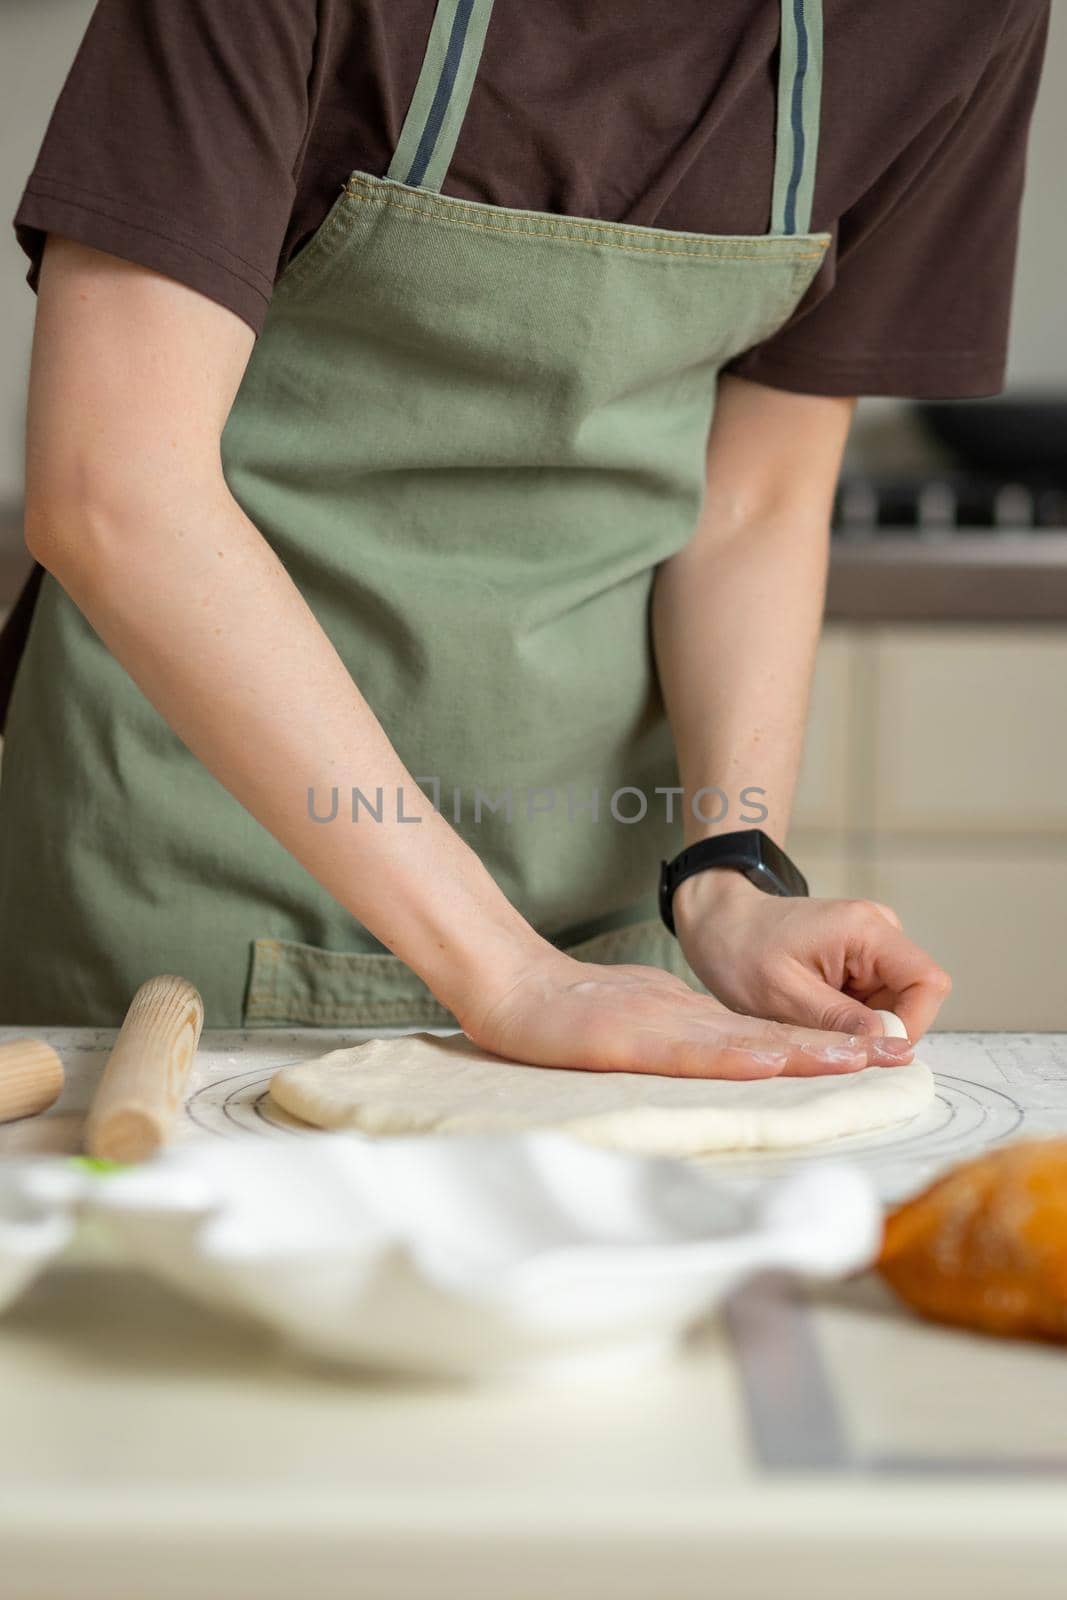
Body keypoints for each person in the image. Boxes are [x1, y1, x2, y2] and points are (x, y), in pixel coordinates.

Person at [0, 0, 1048, 1075]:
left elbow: (753, 505)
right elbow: (115, 491)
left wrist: (727, 874)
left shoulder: (955, 20)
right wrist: (503, 971)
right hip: (187, 864)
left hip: (597, 898)